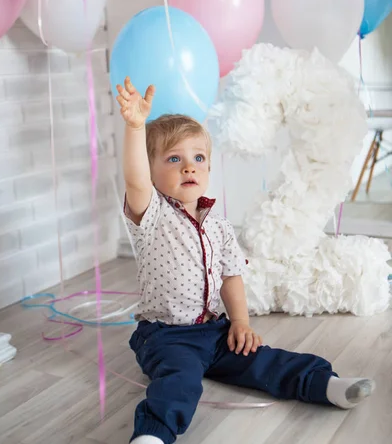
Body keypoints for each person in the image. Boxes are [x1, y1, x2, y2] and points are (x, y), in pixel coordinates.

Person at [116, 77, 375, 444]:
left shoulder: (219, 225)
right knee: (180, 381)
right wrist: (134, 126)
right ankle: (152, 436)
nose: (189, 167)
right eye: (174, 159)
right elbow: (135, 179)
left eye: (198, 158)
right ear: (152, 170)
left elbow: (231, 276)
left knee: (264, 359)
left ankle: (325, 384)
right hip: (165, 335)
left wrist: (240, 322)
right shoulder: (152, 214)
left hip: (215, 330)